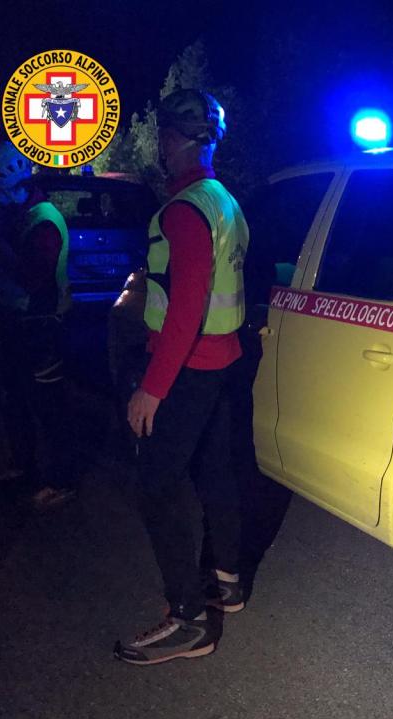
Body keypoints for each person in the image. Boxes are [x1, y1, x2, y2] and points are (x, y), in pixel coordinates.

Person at [114, 89, 249, 666]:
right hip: (220, 363)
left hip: (186, 367)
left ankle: (189, 619)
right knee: (215, 470)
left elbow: (188, 304)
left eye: (165, 136)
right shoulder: (223, 200)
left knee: (157, 486)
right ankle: (227, 580)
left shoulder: (186, 209)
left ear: (179, 139)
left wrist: (153, 386)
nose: (161, 147)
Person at [0, 143, 77, 509]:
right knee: (14, 399)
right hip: (15, 323)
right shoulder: (16, 213)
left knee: (50, 406)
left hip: (40, 325)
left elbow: (33, 278)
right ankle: (24, 466)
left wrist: (1, 244)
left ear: (11, 182)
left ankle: (62, 478)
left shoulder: (43, 219)